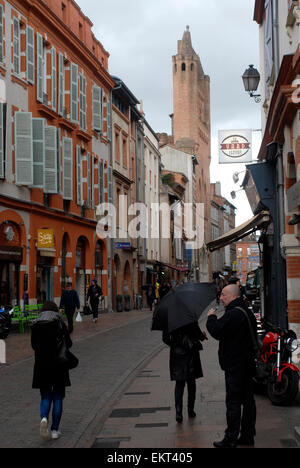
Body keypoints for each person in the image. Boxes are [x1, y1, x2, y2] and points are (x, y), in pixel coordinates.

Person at [206, 284, 257, 448]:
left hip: (235, 365)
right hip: (248, 364)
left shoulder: (233, 314)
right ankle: (248, 435)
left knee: (233, 401)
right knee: (248, 400)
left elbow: (217, 331)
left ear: (234, 296)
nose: (220, 298)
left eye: (223, 295)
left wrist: (211, 317)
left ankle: (231, 438)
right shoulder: (247, 312)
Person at [31, 301, 73, 441]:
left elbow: (33, 345)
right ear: (55, 311)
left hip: (42, 365)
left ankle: (44, 418)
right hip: (59, 365)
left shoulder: (36, 324)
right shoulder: (59, 322)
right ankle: (55, 430)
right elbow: (69, 343)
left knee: (45, 396)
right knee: (58, 397)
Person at [163, 322, 208, 423]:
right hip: (191, 352)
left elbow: (165, 339)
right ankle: (190, 410)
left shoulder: (169, 318)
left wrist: (175, 345)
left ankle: (179, 412)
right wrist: (202, 336)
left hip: (177, 354)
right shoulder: (189, 315)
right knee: (191, 382)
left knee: (179, 383)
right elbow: (197, 333)